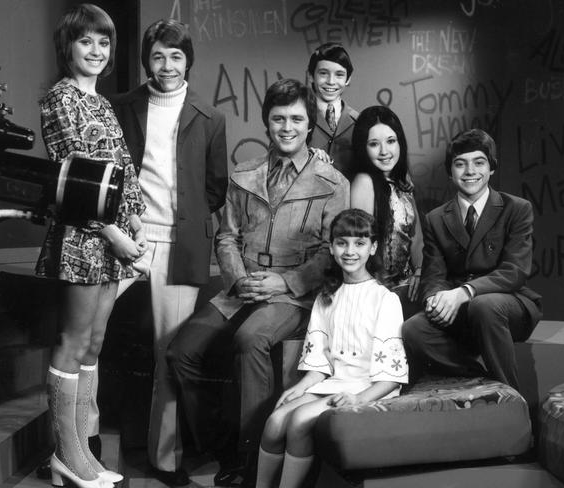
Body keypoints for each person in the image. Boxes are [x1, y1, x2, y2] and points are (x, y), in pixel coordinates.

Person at [167, 79, 349, 487]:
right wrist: (237, 279)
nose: (287, 127)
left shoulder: (332, 182)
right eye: (278, 118)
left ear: (310, 124)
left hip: (294, 297)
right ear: (267, 122)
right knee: (181, 353)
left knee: (251, 339)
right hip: (241, 288)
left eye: (297, 119)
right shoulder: (244, 173)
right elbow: (226, 235)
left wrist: (284, 282)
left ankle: (252, 464)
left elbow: (330, 252)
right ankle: (226, 449)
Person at [109, 18, 228, 486]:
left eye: (176, 56)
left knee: (168, 353)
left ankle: (165, 460)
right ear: (146, 61)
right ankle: (83, 449)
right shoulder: (123, 107)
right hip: (124, 238)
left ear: (188, 61)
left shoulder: (211, 117)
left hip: (180, 245)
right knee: (86, 339)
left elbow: (214, 188)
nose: (167, 65)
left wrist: (188, 219)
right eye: (158, 56)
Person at [36, 4, 147, 488]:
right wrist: (115, 234)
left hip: (114, 242)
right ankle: (67, 455)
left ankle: (83, 452)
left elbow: (124, 169)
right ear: (69, 47)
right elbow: (72, 180)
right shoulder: (59, 99)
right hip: (82, 239)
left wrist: (137, 221)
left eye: (104, 43)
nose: (97, 51)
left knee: (94, 344)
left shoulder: (102, 103)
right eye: (87, 42)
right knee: (73, 341)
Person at [255, 208, 408, 488]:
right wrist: (300, 388)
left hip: (367, 386)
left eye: (360, 243)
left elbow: (389, 378)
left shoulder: (385, 299)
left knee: (299, 421)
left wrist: (360, 399)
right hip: (333, 383)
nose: (350, 251)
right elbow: (319, 364)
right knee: (275, 422)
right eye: (342, 243)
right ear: (332, 247)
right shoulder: (327, 296)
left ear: (373, 248)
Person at [402, 129, 543, 389]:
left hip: (508, 306)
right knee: (413, 329)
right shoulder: (435, 218)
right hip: (461, 313)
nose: (470, 171)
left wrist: (465, 292)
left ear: (491, 169)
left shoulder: (517, 209)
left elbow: (515, 271)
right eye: (460, 164)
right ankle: (481, 378)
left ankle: (510, 397)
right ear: (449, 171)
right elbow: (434, 275)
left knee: (484, 306)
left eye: (479, 162)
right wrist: (435, 299)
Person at [350, 105, 423, 319]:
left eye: (391, 141)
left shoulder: (402, 182)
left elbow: (417, 239)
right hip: (377, 291)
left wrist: (420, 272)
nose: (384, 151)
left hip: (409, 286)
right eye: (374, 144)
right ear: (363, 148)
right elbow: (359, 248)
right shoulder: (364, 183)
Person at [306, 42, 358, 180]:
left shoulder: (359, 121)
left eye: (339, 75)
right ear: (311, 76)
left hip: (349, 199)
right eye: (323, 73)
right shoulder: (296, 117)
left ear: (348, 79)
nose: (331, 81)